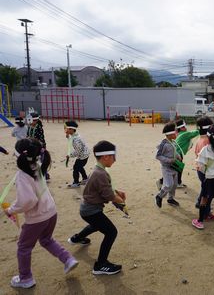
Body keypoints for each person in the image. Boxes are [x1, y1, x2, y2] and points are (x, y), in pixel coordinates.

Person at [3, 138, 78, 289]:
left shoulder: (22, 175)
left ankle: (25, 278)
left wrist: (11, 209)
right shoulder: (37, 165)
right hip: (51, 212)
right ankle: (68, 259)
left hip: (37, 218)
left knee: (24, 247)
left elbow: (27, 201)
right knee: (46, 239)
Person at [68, 140, 126, 275]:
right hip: (91, 211)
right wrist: (120, 200)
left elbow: (104, 187)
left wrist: (117, 191)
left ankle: (77, 238)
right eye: (114, 157)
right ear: (106, 157)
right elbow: (109, 195)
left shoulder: (98, 169)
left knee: (96, 225)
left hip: (87, 210)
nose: (115, 160)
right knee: (111, 232)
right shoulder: (100, 173)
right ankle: (100, 265)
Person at [157, 119, 199, 189]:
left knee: (175, 169)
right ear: (181, 128)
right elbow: (196, 132)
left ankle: (177, 182)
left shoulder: (180, 134)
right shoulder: (185, 134)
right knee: (177, 169)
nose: (185, 128)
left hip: (175, 153)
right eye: (184, 127)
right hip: (178, 154)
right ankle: (164, 181)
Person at [193, 116, 214, 220]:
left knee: (205, 188)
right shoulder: (207, 141)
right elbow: (210, 158)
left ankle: (199, 203)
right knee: (209, 193)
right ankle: (206, 213)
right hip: (207, 170)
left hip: (200, 169)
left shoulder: (200, 139)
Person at [154, 122, 181, 208]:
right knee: (169, 184)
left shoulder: (173, 141)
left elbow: (175, 150)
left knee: (174, 184)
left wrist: (178, 156)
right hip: (166, 168)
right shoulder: (164, 144)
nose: (177, 133)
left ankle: (170, 198)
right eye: (175, 132)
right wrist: (169, 160)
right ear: (170, 134)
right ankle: (159, 196)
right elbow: (158, 156)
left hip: (174, 167)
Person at [65, 121, 90, 188]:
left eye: (68, 129)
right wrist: (68, 136)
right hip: (84, 154)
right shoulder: (75, 135)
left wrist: (70, 155)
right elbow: (71, 138)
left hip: (82, 156)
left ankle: (76, 183)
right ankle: (85, 179)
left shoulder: (76, 140)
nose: (66, 130)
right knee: (80, 167)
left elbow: (78, 151)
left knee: (75, 168)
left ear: (72, 129)